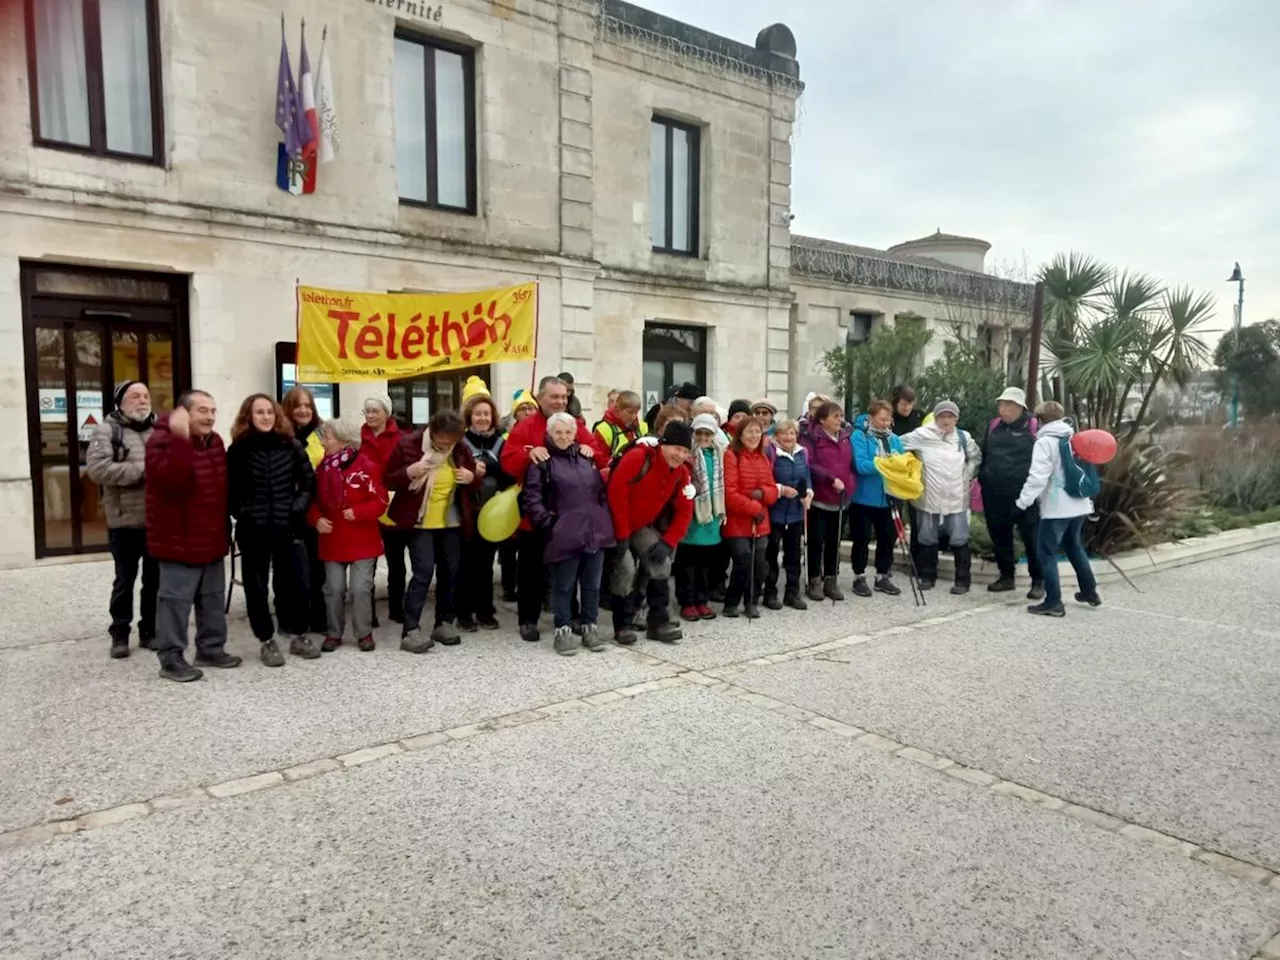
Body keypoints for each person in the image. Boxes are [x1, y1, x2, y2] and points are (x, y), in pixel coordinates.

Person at [502, 376, 608, 643]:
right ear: (540, 397)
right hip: (535, 517)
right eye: (554, 397)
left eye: (564, 397)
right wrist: (528, 454)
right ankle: (528, 619)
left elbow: (597, 455)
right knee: (530, 571)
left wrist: (589, 449)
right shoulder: (525, 427)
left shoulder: (577, 425)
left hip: (571, 520)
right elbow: (507, 462)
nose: (560, 401)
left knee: (567, 572)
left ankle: (569, 617)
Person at [145, 390, 239, 683]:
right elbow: (173, 482)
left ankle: (211, 649)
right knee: (175, 602)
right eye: (202, 410)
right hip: (178, 539)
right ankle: (171, 659)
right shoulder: (162, 441)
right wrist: (180, 438)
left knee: (211, 598)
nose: (210, 417)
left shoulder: (215, 442)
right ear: (183, 414)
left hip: (211, 536)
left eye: (213, 411)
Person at [227, 394, 318, 666]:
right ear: (249, 417)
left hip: (288, 527)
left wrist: (297, 508)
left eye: (269, 412)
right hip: (253, 530)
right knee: (257, 588)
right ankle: (266, 640)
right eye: (259, 412)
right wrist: (243, 513)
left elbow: (308, 483)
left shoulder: (291, 445)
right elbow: (230, 491)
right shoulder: (238, 449)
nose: (266, 417)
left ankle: (299, 634)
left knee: (298, 584)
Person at [384, 410, 481, 653]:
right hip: (419, 522)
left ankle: (444, 622)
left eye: (452, 440)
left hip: (451, 522)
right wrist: (409, 472)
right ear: (432, 430)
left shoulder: (459, 449)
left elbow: (474, 480)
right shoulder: (409, 444)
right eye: (442, 439)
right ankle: (411, 630)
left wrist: (471, 477)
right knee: (423, 572)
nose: (446, 444)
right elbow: (387, 480)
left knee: (450, 571)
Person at [520, 412, 615, 655]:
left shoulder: (585, 458)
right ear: (549, 434)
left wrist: (603, 515)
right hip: (565, 533)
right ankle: (562, 629)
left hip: (594, 530)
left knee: (592, 585)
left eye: (568, 432)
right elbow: (532, 498)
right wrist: (548, 523)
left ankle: (589, 627)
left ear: (575, 434)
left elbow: (599, 490)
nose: (563, 437)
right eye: (558, 432)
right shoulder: (542, 462)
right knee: (564, 586)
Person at [86, 380, 158, 660]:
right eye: (135, 396)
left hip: (155, 521)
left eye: (146, 396)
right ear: (120, 402)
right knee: (124, 581)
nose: (142, 401)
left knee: (154, 581)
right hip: (124, 521)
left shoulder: (158, 430)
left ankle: (149, 630)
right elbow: (97, 470)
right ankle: (119, 633)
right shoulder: (106, 431)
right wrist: (142, 470)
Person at [606, 419, 695, 643]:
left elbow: (685, 511)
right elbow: (617, 496)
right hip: (616, 522)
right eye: (677, 448)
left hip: (641, 525)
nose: (680, 455)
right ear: (663, 444)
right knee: (625, 568)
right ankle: (623, 625)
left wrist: (669, 541)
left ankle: (658, 622)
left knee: (661, 564)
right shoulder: (638, 458)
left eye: (685, 451)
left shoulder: (681, 472)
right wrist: (622, 536)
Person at [309, 415, 388, 652]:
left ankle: (364, 633)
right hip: (332, 538)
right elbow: (311, 501)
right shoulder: (322, 469)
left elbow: (381, 501)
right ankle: (334, 632)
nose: (323, 442)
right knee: (333, 588)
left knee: (360, 588)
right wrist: (316, 519)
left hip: (362, 539)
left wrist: (360, 511)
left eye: (328, 437)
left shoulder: (366, 467)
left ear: (344, 441)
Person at [1016, 401, 1100, 617]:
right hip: (1080, 504)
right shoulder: (1074, 438)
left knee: (1046, 552)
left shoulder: (1045, 442)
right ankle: (1089, 592)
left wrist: (1023, 501)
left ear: (1040, 420)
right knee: (1074, 546)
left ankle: (1053, 601)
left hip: (1056, 508)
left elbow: (1038, 477)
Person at [901, 400, 982, 594]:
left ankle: (962, 581)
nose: (947, 420)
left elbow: (976, 457)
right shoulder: (922, 435)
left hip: (956, 497)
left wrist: (967, 475)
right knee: (927, 537)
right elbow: (896, 444)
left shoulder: (963, 438)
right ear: (936, 418)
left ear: (956, 418)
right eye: (942, 416)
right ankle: (927, 576)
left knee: (959, 539)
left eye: (951, 416)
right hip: (929, 496)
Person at [978, 386, 1046, 600]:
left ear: (1020, 407)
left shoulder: (1034, 426)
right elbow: (984, 453)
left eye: (1008, 405)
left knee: (1031, 538)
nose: (1003, 409)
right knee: (1000, 536)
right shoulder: (993, 425)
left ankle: (1038, 581)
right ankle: (1006, 576)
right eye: (1001, 404)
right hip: (994, 493)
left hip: (1024, 495)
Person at [459, 389, 509, 631]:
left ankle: (485, 611)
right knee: (466, 564)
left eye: (486, 414)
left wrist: (488, 468)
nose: (482, 418)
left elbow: (509, 474)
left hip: (492, 512)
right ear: (470, 416)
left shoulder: (501, 442)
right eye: (478, 414)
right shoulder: (460, 442)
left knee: (486, 564)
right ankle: (465, 612)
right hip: (466, 511)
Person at [282, 387, 329, 634]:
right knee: (291, 568)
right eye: (298, 405)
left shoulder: (322, 433)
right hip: (289, 510)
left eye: (308, 406)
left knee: (316, 566)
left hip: (318, 509)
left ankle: (318, 617)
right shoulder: (281, 435)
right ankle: (292, 619)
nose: (303, 410)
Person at [722, 417, 778, 618]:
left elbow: (772, 488)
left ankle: (752, 601)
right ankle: (732, 602)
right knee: (743, 561)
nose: (754, 436)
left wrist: (763, 494)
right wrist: (754, 507)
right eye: (749, 432)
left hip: (761, 521)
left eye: (757, 432)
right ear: (740, 435)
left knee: (759, 564)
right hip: (739, 520)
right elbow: (730, 493)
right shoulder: (732, 456)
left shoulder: (763, 457)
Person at [850, 401, 905, 598]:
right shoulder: (860, 436)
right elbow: (862, 465)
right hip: (864, 497)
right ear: (871, 417)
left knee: (888, 537)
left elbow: (903, 462)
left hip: (889, 496)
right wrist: (887, 464)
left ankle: (882, 576)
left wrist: (896, 466)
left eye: (888, 419)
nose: (885, 423)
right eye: (881, 419)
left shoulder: (895, 439)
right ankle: (859, 576)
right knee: (862, 537)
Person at [675, 413, 727, 622]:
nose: (704, 437)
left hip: (712, 512)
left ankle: (702, 600)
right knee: (688, 562)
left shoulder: (718, 453)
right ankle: (687, 601)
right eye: (699, 433)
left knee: (706, 562)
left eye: (708, 433)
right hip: (692, 513)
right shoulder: (688, 454)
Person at [802, 400, 856, 602]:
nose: (840, 420)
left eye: (841, 416)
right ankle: (814, 580)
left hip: (841, 498)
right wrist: (830, 478)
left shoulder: (845, 437)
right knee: (816, 541)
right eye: (835, 416)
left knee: (834, 541)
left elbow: (851, 464)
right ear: (823, 419)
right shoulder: (813, 437)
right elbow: (810, 464)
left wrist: (850, 483)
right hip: (820, 497)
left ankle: (831, 580)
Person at [359, 392, 401, 624]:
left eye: (376, 410)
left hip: (393, 504)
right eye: (368, 410)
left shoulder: (400, 437)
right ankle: (369, 611)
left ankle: (397, 607)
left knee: (395, 560)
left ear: (387, 413)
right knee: (368, 562)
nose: (371, 415)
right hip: (368, 504)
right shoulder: (358, 438)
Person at [765, 417, 811, 610]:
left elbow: (806, 477)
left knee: (793, 556)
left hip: (795, 513)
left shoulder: (802, 453)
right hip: (775, 512)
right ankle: (770, 593)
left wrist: (808, 493)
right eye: (784, 433)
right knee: (771, 555)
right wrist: (780, 489)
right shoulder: (771, 452)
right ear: (777, 435)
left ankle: (792, 593)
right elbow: (765, 479)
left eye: (791, 433)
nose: (788, 437)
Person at [593, 389, 649, 458]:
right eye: (630, 412)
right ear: (618, 410)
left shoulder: (643, 427)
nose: (633, 417)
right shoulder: (603, 429)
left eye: (636, 413)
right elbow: (600, 459)